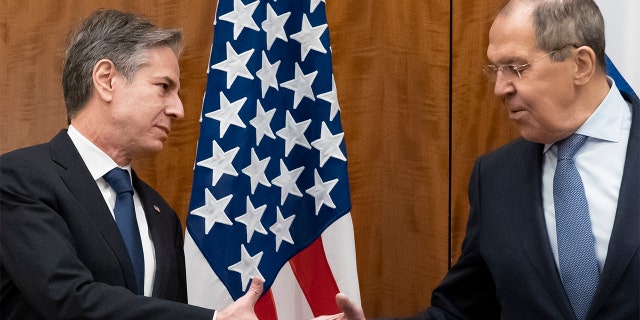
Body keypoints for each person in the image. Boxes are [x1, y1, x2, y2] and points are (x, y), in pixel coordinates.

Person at [316, 0, 639, 319]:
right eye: (495, 69)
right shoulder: (496, 177)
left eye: (515, 68)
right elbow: (460, 311)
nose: (500, 88)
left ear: (580, 64)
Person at [0, 9, 263, 320]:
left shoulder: (162, 215)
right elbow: (68, 299)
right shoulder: (20, 179)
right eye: (164, 87)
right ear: (106, 79)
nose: (178, 109)